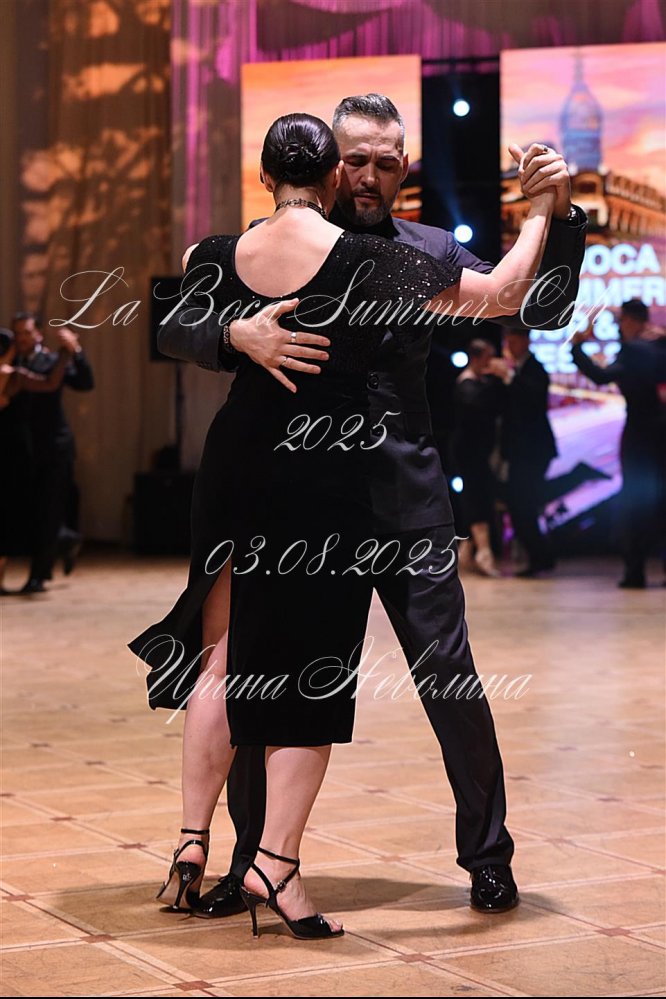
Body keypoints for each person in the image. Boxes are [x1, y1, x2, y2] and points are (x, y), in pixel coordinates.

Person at [155, 95, 586, 920]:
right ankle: (251, 862)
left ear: (405, 169)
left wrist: (557, 216)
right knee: (267, 670)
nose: (369, 175)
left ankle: (488, 856)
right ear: (329, 164)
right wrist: (234, 333)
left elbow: (537, 305)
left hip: (404, 497)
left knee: (449, 676)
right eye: (355, 159)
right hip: (305, 500)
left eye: (387, 163)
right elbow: (177, 319)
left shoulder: (424, 250)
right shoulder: (275, 248)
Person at [571, 300, 666, 588]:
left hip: (640, 436)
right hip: (661, 434)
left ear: (630, 321)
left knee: (635, 504)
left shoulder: (634, 350)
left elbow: (601, 376)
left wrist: (578, 347)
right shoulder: (659, 346)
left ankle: (635, 571)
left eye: (620, 321)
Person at [12, 313, 94, 593]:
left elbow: (85, 383)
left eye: (27, 333)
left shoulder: (52, 361)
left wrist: (76, 351)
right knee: (29, 510)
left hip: (54, 447)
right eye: (18, 333)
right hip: (22, 449)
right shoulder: (11, 360)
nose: (22, 338)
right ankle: (65, 538)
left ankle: (39, 575)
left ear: (38, 334)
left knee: (48, 511)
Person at [0, 327, 80, 594]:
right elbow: (50, 383)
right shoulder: (13, 373)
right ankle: (63, 538)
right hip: (12, 448)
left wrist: (65, 355)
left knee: (15, 511)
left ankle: (56, 545)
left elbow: (51, 384)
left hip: (18, 449)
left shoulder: (13, 373)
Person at [486, 330, 558, 577]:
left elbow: (532, 402)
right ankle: (541, 557)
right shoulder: (516, 369)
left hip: (533, 451)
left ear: (526, 341)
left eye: (514, 341)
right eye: (507, 342)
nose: (509, 346)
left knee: (523, 505)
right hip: (519, 451)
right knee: (519, 506)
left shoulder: (535, 369)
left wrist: (508, 377)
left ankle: (541, 557)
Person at [451, 340, 504, 577]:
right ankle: (484, 553)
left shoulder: (482, 383)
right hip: (467, 452)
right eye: (488, 357)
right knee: (476, 499)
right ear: (476, 358)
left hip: (482, 452)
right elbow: (477, 406)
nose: (491, 362)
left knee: (483, 498)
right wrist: (497, 378)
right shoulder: (467, 383)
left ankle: (466, 552)